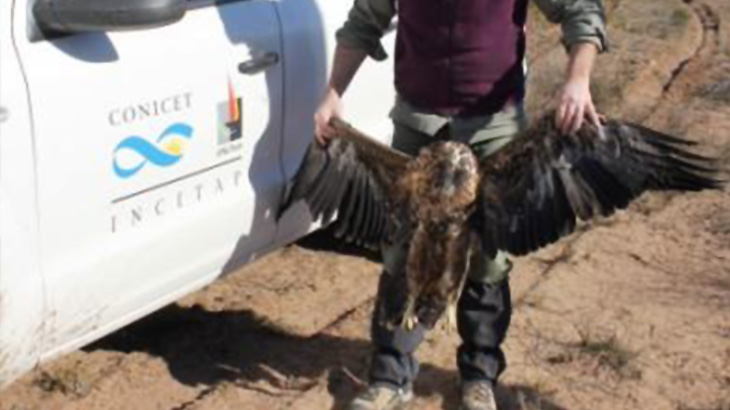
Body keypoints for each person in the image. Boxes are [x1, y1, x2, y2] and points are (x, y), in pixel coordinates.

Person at [314, 1, 607, 409]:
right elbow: (364, 21)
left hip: (494, 127)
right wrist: (332, 92)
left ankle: (479, 377)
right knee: (404, 251)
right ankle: (390, 377)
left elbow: (581, 10)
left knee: (489, 257)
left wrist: (578, 80)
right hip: (418, 124)